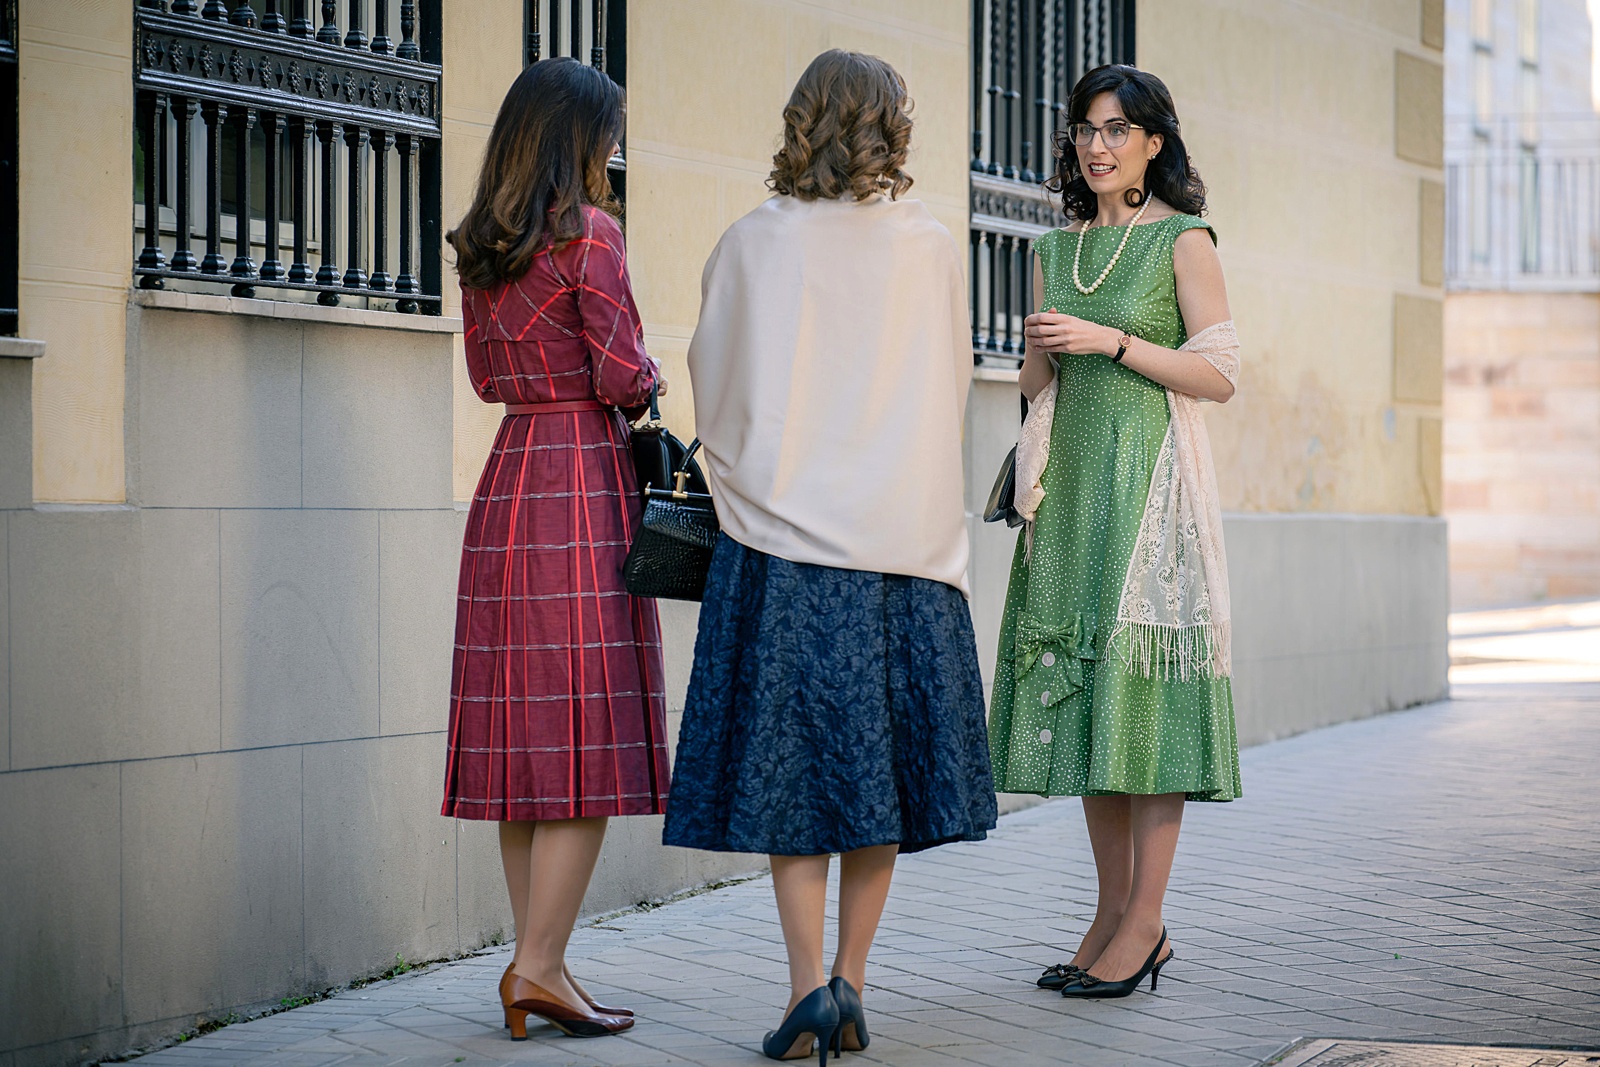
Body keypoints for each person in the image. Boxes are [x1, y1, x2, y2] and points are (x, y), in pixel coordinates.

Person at [661, 49, 998, 1063]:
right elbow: (947, 388)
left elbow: (711, 387)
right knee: (876, 779)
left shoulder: (751, 242)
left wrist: (748, 478)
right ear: (889, 127)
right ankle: (852, 978)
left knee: (790, 777)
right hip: (901, 547)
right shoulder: (933, 246)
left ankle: (805, 985)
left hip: (780, 545)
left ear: (799, 120)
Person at [988, 63, 1243, 1000]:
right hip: (1069, 495)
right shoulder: (1055, 252)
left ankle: (1147, 921)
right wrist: (1036, 356)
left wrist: (1114, 342)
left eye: (1116, 129)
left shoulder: (1184, 239)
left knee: (1146, 699)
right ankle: (1110, 913)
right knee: (1093, 700)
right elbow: (1033, 387)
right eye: (1086, 129)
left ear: (1153, 142)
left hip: (1150, 492)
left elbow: (1220, 374)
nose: (1097, 144)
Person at [440, 57, 667, 1041]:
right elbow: (623, 374)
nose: (615, 148)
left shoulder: (481, 244)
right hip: (581, 481)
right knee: (583, 737)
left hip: (508, 484)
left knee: (524, 743)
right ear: (578, 137)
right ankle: (536, 965)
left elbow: (488, 379)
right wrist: (645, 372)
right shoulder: (592, 235)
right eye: (608, 131)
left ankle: (542, 961)